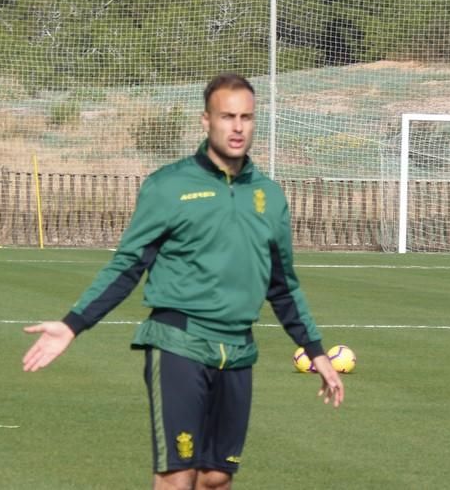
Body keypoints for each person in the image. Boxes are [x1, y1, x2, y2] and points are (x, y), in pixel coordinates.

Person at [23, 72, 344, 490]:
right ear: (205, 121)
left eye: (246, 117)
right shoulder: (168, 186)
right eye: (227, 116)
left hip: (239, 349)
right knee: (177, 477)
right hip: (179, 342)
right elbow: (127, 265)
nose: (237, 127)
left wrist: (315, 350)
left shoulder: (270, 195)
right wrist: (72, 324)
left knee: (215, 478)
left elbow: (283, 285)